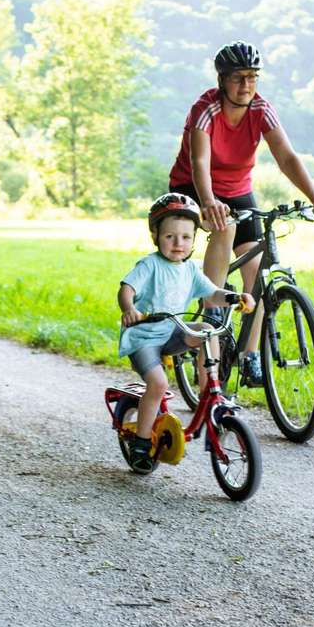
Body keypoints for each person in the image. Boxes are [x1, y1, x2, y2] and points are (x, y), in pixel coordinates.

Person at [168, 40, 314, 387]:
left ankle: (250, 356)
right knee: (224, 226)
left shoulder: (262, 109)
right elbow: (200, 162)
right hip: (193, 186)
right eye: (238, 78)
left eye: (253, 77)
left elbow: (287, 158)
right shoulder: (206, 109)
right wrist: (209, 201)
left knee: (255, 276)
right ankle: (213, 302)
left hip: (238, 190)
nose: (246, 85)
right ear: (222, 80)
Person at [117, 193, 253, 474]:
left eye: (186, 237)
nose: (178, 244)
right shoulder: (150, 265)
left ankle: (210, 388)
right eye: (170, 236)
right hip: (144, 338)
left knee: (206, 329)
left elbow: (212, 293)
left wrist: (235, 297)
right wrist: (129, 308)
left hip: (174, 332)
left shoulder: (190, 269)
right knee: (157, 384)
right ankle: (141, 445)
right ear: (156, 236)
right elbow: (127, 289)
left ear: (193, 239)